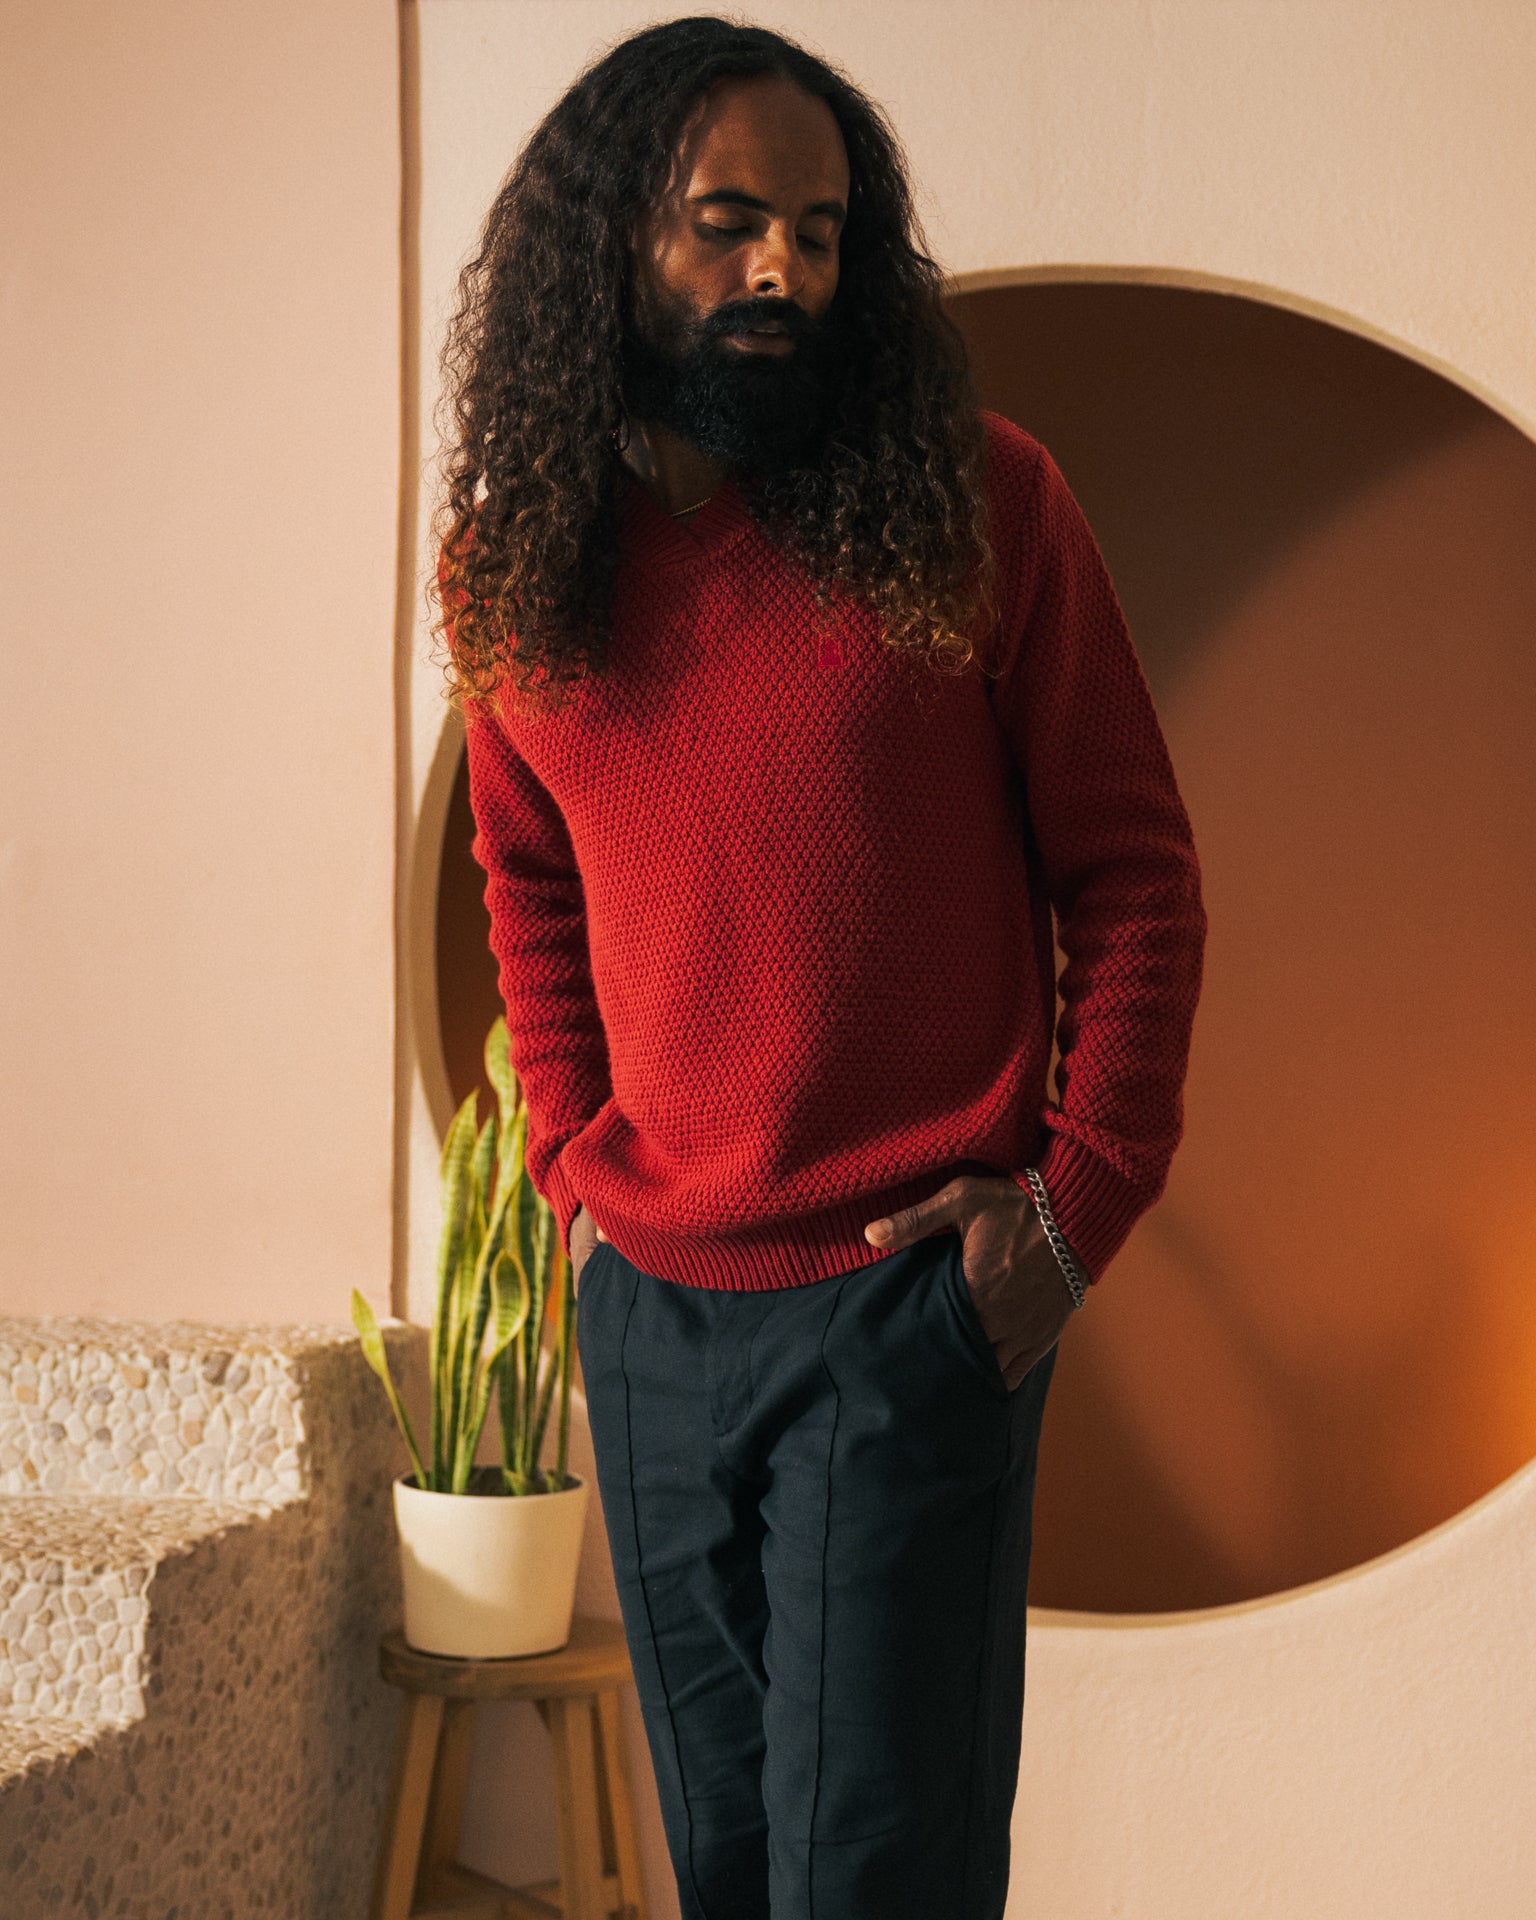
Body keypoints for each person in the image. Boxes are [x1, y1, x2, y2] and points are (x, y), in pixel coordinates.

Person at [434, 18, 1206, 1919]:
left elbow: (1138, 880)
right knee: (721, 1870)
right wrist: (569, 1165)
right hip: (655, 1318)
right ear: (613, 236)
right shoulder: (513, 560)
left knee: (876, 1882)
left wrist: (1073, 1209)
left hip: (903, 1307)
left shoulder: (980, 499)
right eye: (727, 222)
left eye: (823, 230)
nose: (782, 267)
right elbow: (524, 877)